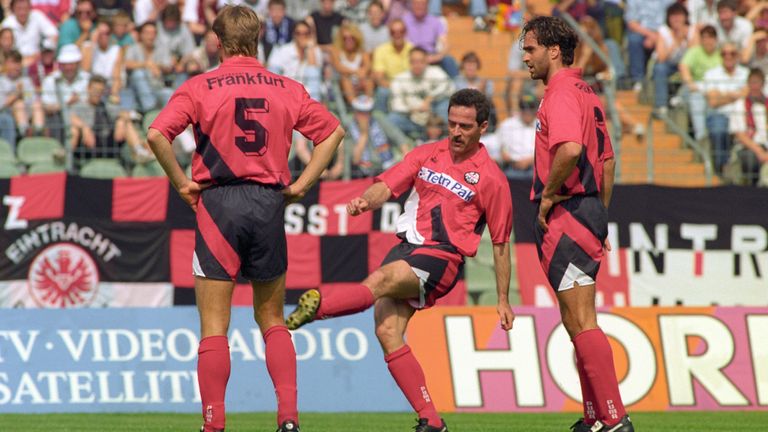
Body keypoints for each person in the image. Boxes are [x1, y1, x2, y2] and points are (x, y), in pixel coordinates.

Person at [147, 6, 345, 432]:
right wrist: (303, 185)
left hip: (218, 203)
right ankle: (288, 419)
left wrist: (182, 183)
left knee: (215, 325)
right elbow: (333, 132)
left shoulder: (199, 86)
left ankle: (214, 424)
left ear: (217, 41)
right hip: (268, 202)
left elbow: (156, 134)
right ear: (259, 39)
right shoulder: (286, 87)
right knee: (272, 319)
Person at [285, 88, 515, 432]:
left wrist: (502, 299)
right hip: (407, 247)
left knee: (380, 280)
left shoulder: (492, 179)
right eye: (452, 123)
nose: (455, 132)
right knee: (387, 330)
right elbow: (387, 186)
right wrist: (365, 200)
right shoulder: (426, 154)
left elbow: (500, 244)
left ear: (483, 127)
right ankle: (431, 420)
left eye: (465, 126)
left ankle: (317, 309)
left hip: (442, 256)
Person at [520, 16, 633, 432]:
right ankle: (595, 417)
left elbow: (569, 149)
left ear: (553, 51)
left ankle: (615, 418)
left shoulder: (561, 93)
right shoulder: (589, 93)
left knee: (582, 320)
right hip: (587, 211)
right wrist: (599, 215)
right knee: (575, 320)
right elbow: (608, 162)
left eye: (530, 48)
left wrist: (549, 196)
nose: (525, 56)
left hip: (568, 212)